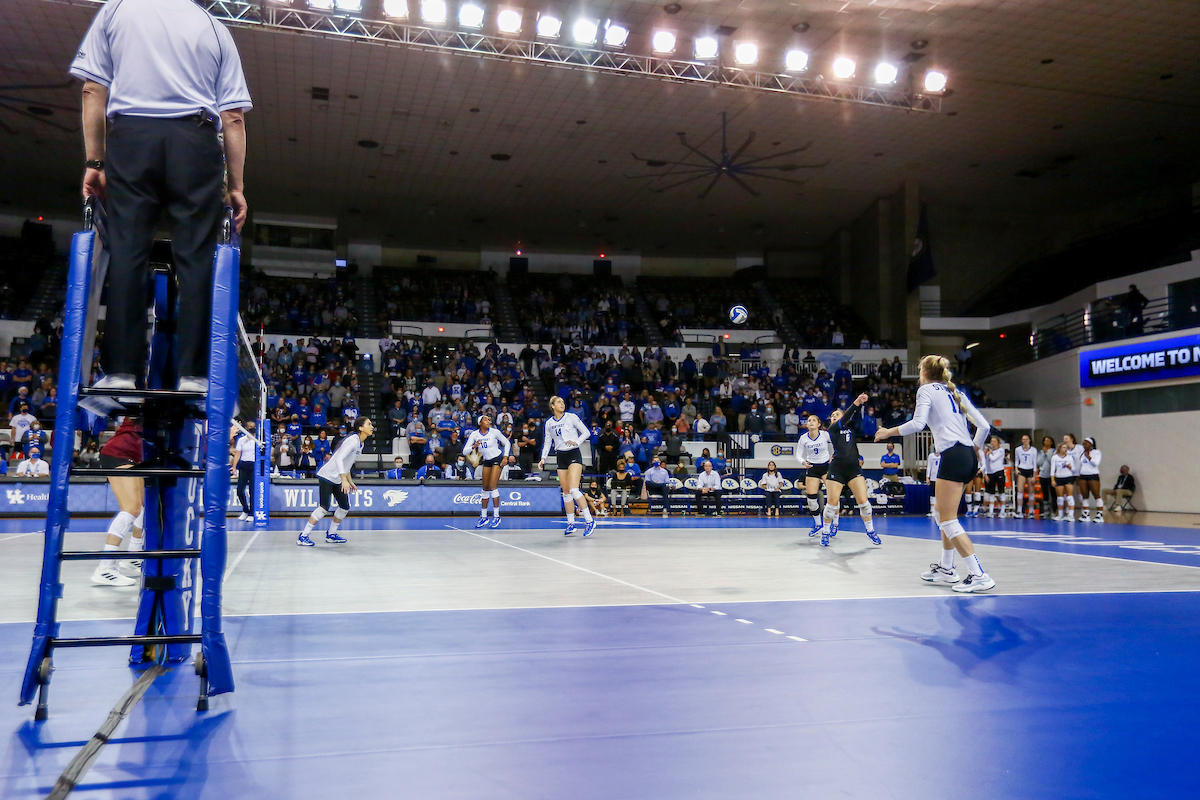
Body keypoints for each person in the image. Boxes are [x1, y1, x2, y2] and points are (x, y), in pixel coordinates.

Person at [71, 0, 251, 397]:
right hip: (195, 140)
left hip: (132, 138)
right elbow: (234, 117)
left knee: (128, 251)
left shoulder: (117, 10)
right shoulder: (215, 28)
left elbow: (91, 90)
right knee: (197, 260)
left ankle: (120, 370)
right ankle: (194, 375)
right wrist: (235, 186)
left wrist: (95, 161)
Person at [876, 354, 994, 593]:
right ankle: (947, 568)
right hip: (966, 455)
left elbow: (918, 424)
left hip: (953, 455)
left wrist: (889, 431)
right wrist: (973, 448)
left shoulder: (926, 390)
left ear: (923, 373)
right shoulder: (955, 391)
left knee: (949, 519)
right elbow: (984, 426)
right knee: (941, 513)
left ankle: (978, 574)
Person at [297, 417, 373, 546]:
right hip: (327, 475)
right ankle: (303, 536)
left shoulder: (361, 443)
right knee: (323, 508)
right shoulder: (352, 441)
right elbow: (339, 460)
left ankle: (331, 534)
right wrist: (344, 480)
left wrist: (349, 480)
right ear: (360, 428)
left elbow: (347, 463)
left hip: (338, 478)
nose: (372, 426)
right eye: (369, 424)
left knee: (344, 507)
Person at [90, 416, 146, 586]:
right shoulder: (147, 405)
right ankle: (105, 568)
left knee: (142, 508)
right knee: (131, 509)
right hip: (119, 453)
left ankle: (134, 556)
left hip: (132, 456)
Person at [819, 393, 880, 546]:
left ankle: (870, 530)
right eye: (832, 415)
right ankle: (825, 532)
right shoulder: (832, 429)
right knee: (831, 504)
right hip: (837, 468)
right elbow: (847, 416)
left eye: (836, 414)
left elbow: (852, 445)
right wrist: (857, 402)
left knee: (864, 503)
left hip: (853, 467)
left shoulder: (850, 429)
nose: (833, 417)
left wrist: (859, 457)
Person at [539, 396, 595, 536]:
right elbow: (547, 442)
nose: (562, 404)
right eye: (559, 402)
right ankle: (571, 524)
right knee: (566, 492)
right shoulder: (549, 423)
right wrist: (543, 458)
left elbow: (586, 432)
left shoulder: (571, 417)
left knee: (574, 489)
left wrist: (576, 442)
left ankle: (589, 520)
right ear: (552, 406)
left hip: (573, 454)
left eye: (563, 402)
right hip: (561, 456)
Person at [465, 414, 512, 528]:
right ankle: (484, 516)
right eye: (485, 420)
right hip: (486, 460)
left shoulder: (494, 432)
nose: (488, 421)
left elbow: (507, 443)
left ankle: (496, 516)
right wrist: (474, 446)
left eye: (489, 419)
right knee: (485, 488)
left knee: (492, 486)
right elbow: (465, 451)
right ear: (480, 423)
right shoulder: (474, 434)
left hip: (497, 458)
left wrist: (505, 456)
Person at [796, 414, 832, 537]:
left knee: (833, 495)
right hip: (812, 467)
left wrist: (834, 456)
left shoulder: (825, 435)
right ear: (807, 425)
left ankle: (835, 524)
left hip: (826, 466)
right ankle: (818, 524)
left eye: (813, 420)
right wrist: (803, 462)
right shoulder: (803, 438)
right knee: (811, 499)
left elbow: (838, 444)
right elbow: (798, 455)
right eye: (809, 420)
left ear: (818, 424)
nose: (811, 422)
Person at [229, 420, 259, 523]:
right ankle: (245, 509)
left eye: (253, 426)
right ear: (246, 428)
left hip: (254, 466)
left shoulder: (258, 440)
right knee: (240, 490)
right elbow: (237, 454)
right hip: (243, 465)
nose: (251, 428)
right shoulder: (242, 440)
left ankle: (252, 513)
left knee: (252, 491)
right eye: (249, 426)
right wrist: (234, 467)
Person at [982, 436, 1008, 518]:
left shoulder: (1001, 450)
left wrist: (989, 453)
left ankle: (1003, 511)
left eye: (994, 441)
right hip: (990, 473)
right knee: (991, 493)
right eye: (991, 441)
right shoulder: (989, 452)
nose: (992, 443)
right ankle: (991, 511)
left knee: (1001, 492)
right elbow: (986, 462)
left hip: (999, 471)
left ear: (998, 443)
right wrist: (985, 473)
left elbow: (993, 459)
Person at [1078, 437, 1103, 523]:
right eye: (1083, 444)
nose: (1084, 445)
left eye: (1086, 443)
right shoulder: (1082, 453)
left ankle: (1099, 514)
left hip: (1093, 475)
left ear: (1091, 444)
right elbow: (1081, 464)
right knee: (1084, 495)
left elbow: (1096, 463)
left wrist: (1089, 457)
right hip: (1083, 475)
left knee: (1096, 494)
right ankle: (1086, 514)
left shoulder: (1096, 452)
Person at [1049, 443, 1076, 522]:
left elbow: (1073, 469)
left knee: (1069, 497)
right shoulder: (1055, 458)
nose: (1065, 449)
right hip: (1059, 478)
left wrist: (1069, 466)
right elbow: (1052, 470)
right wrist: (1053, 480)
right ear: (1059, 448)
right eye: (1063, 447)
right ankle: (1060, 514)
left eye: (1066, 448)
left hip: (1068, 477)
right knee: (1060, 498)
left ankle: (1070, 515)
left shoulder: (1070, 457)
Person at [1012, 434, 1037, 519]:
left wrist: (1034, 476)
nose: (1025, 441)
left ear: (1029, 440)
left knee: (1031, 491)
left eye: (1026, 439)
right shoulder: (1018, 449)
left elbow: (1035, 463)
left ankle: (1031, 511)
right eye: (1023, 439)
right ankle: (1019, 510)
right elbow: (1016, 460)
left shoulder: (1033, 450)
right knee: (1020, 490)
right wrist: (1016, 469)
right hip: (1022, 469)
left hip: (1030, 470)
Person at [1037, 435, 1057, 519]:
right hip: (1043, 475)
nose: (1046, 442)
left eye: (1048, 441)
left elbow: (1052, 461)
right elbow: (1038, 462)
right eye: (1045, 441)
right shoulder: (1040, 452)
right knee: (1045, 493)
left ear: (1051, 442)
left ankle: (1054, 511)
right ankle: (1045, 510)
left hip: (1051, 475)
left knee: (1053, 493)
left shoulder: (1054, 451)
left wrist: (1047, 453)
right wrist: (1043, 454)